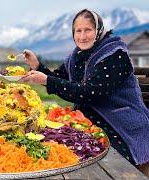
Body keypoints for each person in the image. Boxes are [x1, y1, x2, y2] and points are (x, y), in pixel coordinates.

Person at [20, 9, 149, 175]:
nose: (82, 36)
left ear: (99, 31)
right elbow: (59, 78)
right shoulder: (77, 56)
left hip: (120, 121)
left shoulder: (114, 55)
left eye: (88, 30)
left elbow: (91, 92)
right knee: (54, 144)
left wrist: (46, 80)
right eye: (78, 31)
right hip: (88, 117)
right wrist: (37, 66)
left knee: (93, 158)